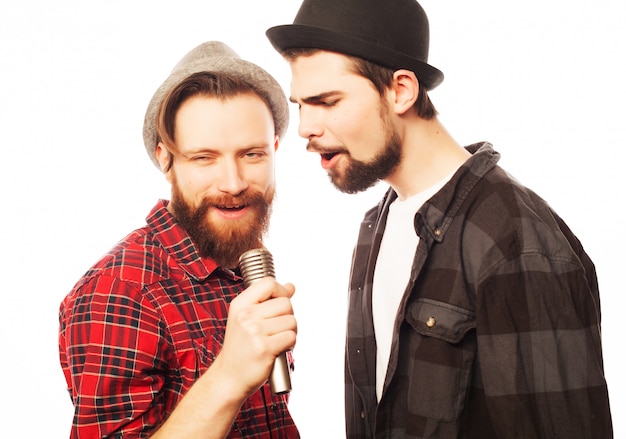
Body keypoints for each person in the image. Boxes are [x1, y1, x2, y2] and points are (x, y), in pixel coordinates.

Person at [266, 0, 613, 437]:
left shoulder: (514, 239)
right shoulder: (377, 225)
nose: (304, 127)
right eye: (301, 105)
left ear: (401, 91)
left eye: (327, 101)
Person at [58, 41, 299, 438]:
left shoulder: (243, 266)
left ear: (274, 150)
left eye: (251, 154)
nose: (233, 183)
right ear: (165, 159)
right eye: (203, 158)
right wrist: (228, 376)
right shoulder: (119, 290)